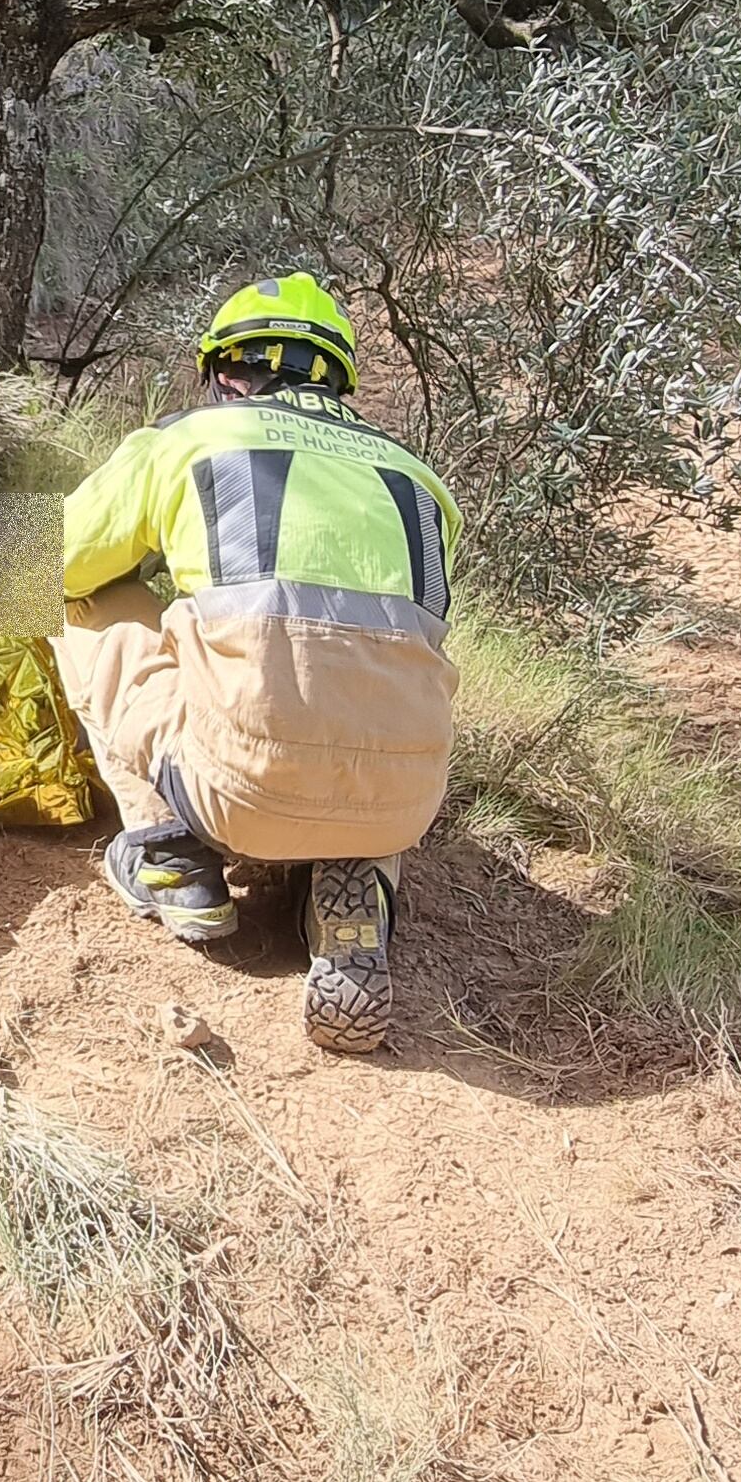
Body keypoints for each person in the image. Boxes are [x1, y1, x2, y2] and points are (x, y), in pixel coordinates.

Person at [55, 274, 461, 1054]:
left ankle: (171, 848)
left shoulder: (191, 439)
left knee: (87, 600)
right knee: (377, 683)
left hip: (237, 789)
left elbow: (47, 560)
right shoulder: (421, 483)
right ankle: (358, 887)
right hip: (404, 799)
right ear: (335, 379)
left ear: (223, 372)